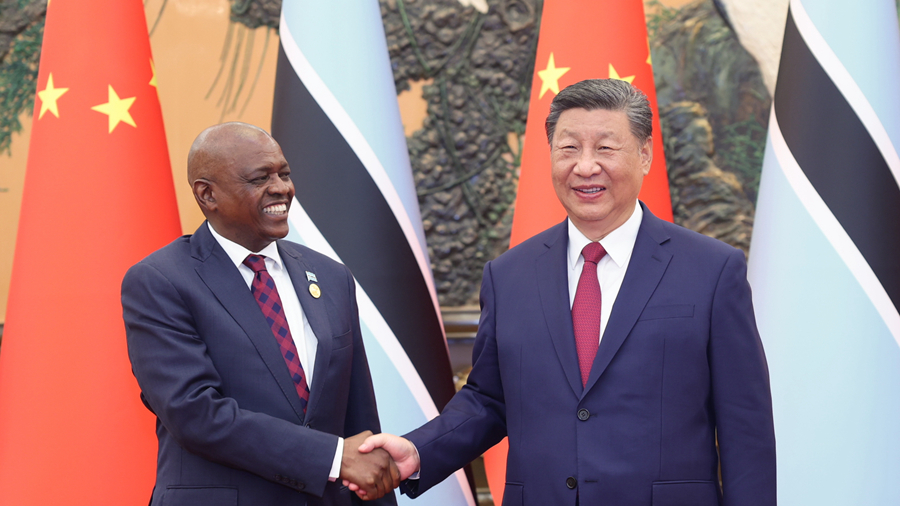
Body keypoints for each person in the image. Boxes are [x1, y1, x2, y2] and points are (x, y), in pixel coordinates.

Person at [353, 79, 776, 505]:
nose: (585, 166)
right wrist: (419, 450)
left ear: (644, 154)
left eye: (606, 148)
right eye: (569, 149)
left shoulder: (712, 270)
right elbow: (488, 400)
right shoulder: (508, 275)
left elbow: (746, 427)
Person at [122, 122, 399, 505]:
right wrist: (332, 458)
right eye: (260, 178)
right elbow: (195, 413)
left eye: (284, 173)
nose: (282, 188)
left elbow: (359, 420)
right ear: (207, 194)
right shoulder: (160, 281)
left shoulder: (332, 277)